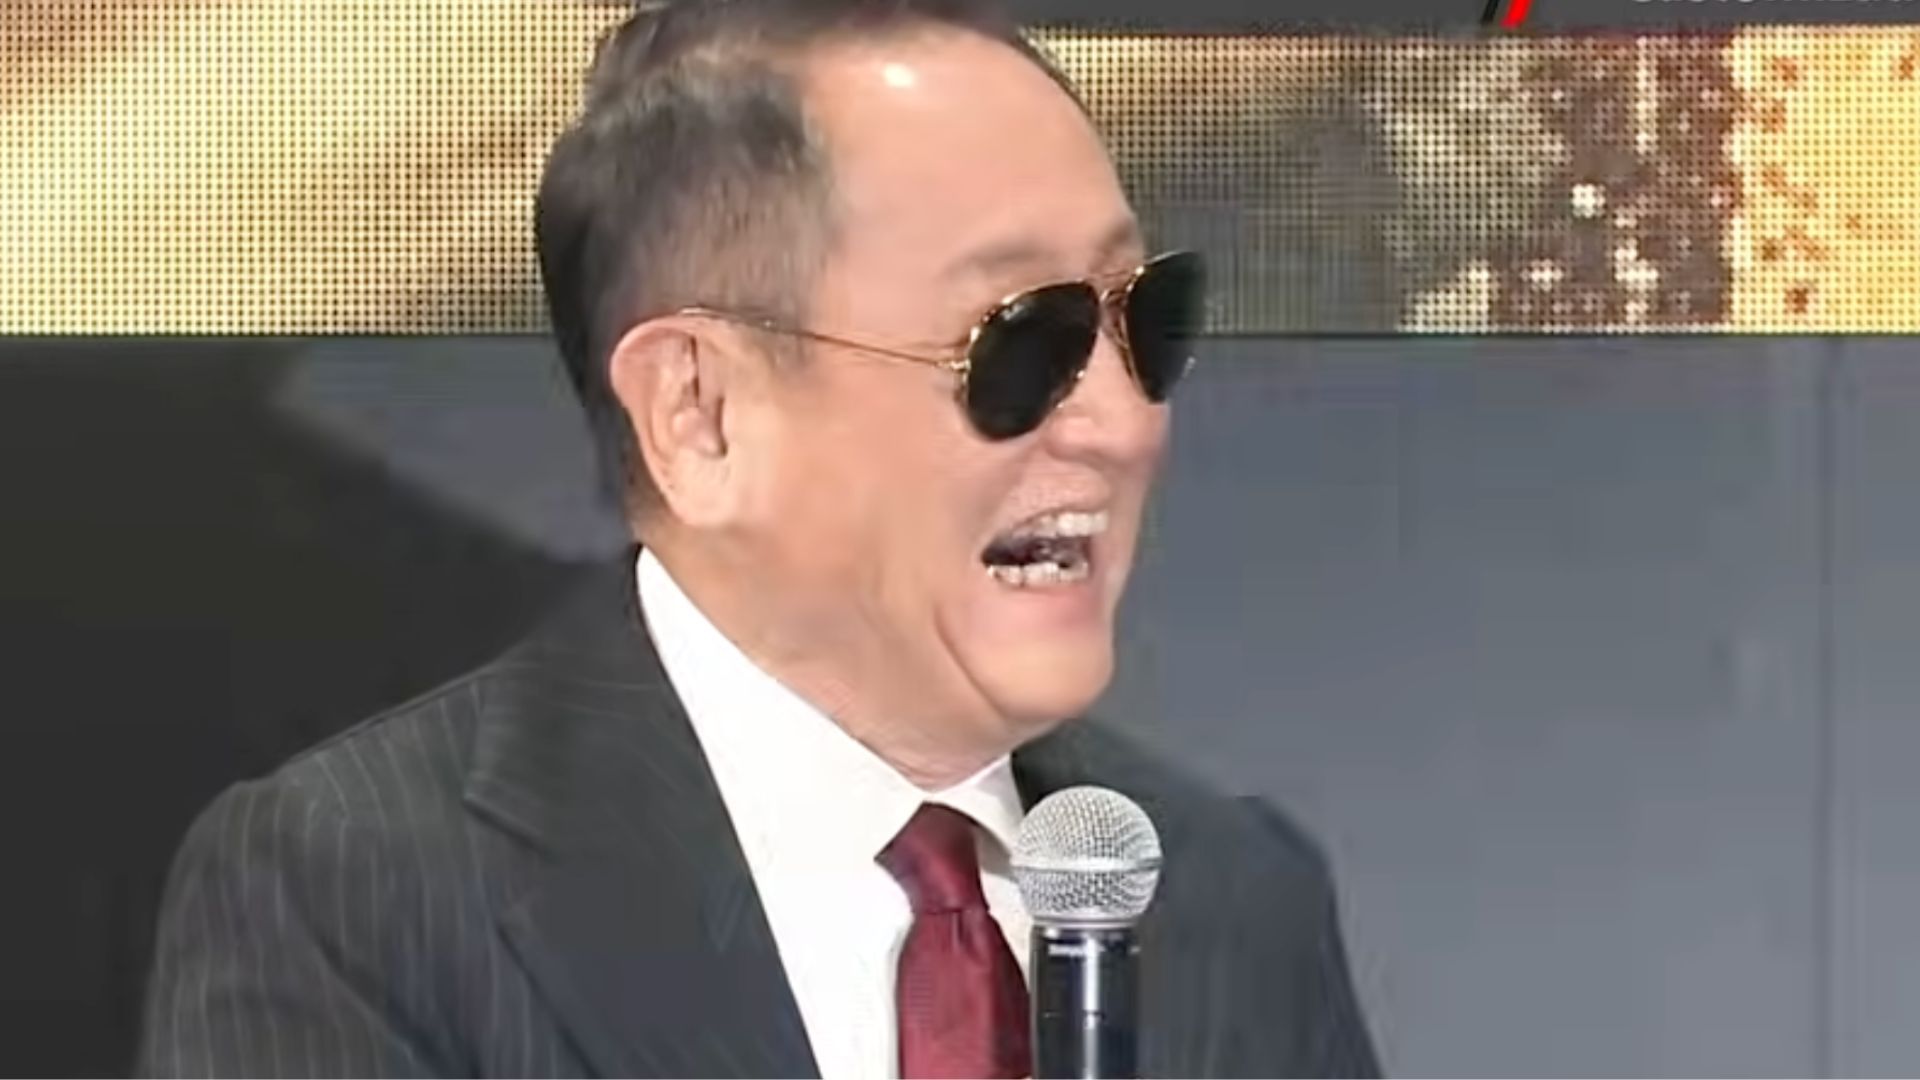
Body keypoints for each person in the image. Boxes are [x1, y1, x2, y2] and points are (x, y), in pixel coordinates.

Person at [137, 0, 1381, 1075]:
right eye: (1023, 342)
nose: (1122, 422)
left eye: (1144, 319)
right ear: (702, 412)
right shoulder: (357, 895)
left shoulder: (1235, 897)